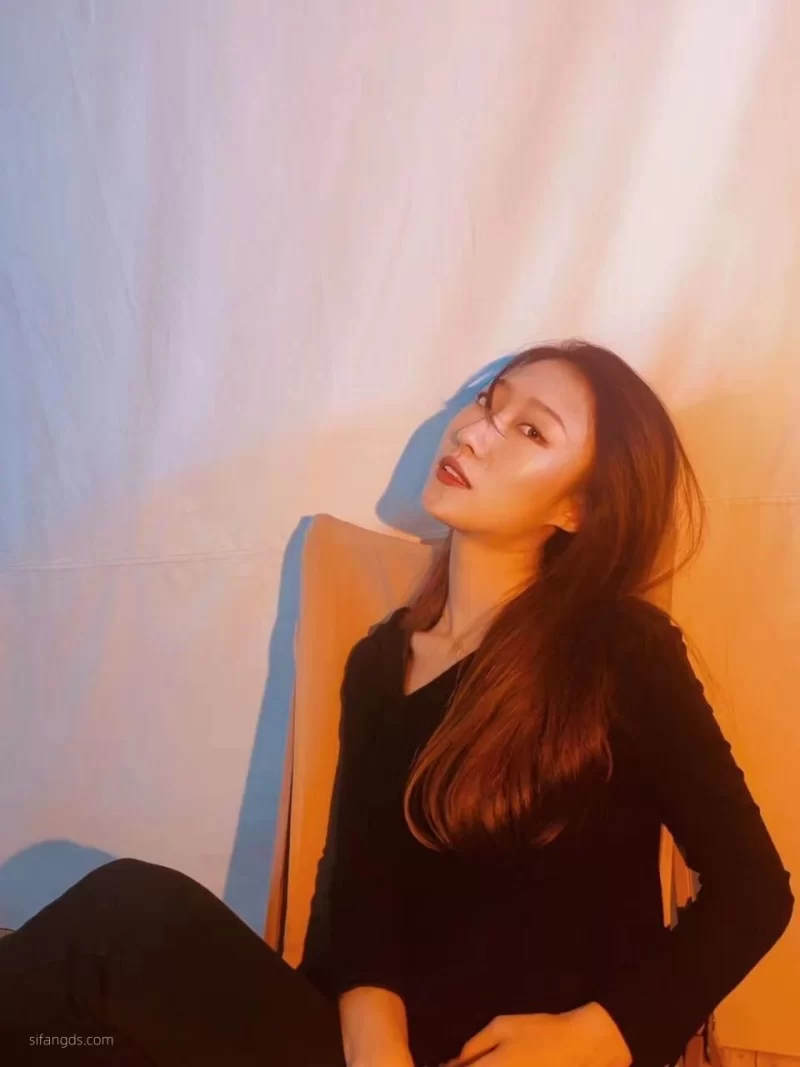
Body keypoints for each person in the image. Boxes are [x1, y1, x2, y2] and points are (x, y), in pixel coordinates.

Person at [0, 339, 794, 1067]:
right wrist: (376, 1046)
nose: (476, 431)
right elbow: (358, 895)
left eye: (530, 430)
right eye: (488, 401)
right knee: (91, 992)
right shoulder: (380, 662)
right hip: (365, 1051)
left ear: (576, 509)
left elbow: (754, 890)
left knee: (121, 922)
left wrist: (601, 1034)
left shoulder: (622, 651)